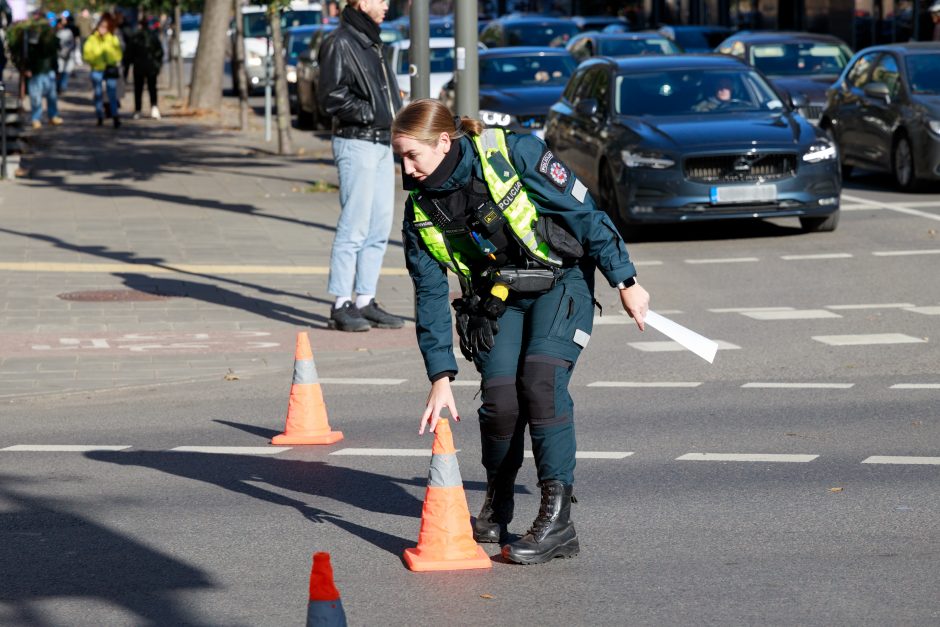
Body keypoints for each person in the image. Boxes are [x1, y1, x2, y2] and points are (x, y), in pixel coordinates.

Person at [392, 99, 650, 565]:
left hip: (560, 280)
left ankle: (558, 522)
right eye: (400, 157)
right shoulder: (419, 212)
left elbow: (584, 212)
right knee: (501, 401)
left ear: (444, 142)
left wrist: (625, 279)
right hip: (500, 296)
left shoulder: (514, 153)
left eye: (413, 155)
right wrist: (440, 374)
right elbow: (429, 295)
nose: (406, 169)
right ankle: (498, 502)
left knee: (540, 382)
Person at [317, 0, 404, 332]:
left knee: (379, 227)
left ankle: (365, 299)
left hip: (380, 141)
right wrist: (373, 113)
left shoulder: (370, 40)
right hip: (357, 141)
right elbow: (331, 96)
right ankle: (341, 302)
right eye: (381, 0)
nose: (386, 6)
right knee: (354, 226)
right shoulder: (341, 42)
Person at [19, 12, 62, 129]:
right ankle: (36, 118)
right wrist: (27, 68)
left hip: (48, 70)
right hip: (36, 70)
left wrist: (56, 69)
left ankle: (53, 116)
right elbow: (28, 53)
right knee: (36, 97)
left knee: (52, 96)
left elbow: (54, 55)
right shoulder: (32, 35)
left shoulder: (50, 36)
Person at [83, 13, 123, 128]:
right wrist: (95, 59)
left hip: (109, 69)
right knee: (98, 93)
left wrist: (111, 60)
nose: (102, 30)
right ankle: (99, 115)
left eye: (105, 27)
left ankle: (115, 116)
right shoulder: (92, 39)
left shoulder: (112, 38)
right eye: (101, 27)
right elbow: (87, 54)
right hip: (97, 69)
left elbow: (118, 53)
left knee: (112, 94)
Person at [125, 16, 163, 120]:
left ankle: (139, 109)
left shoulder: (136, 37)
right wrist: (157, 65)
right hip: (149, 67)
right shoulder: (150, 36)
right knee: (151, 88)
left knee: (139, 89)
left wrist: (127, 67)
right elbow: (159, 52)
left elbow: (129, 54)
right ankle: (153, 107)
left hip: (141, 67)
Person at [55, 14, 76, 93]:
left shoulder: (68, 32)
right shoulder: (55, 32)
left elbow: (71, 44)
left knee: (65, 72)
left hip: (67, 55)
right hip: (59, 56)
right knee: (59, 72)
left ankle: (62, 87)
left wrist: (66, 50)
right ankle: (59, 87)